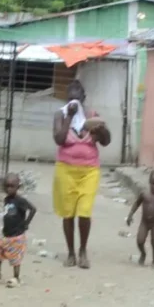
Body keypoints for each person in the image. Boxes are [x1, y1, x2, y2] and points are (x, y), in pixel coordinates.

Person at [52, 80, 110, 269]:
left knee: (84, 212)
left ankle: (83, 250)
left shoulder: (92, 117)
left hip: (89, 171)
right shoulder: (60, 115)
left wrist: (101, 130)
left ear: (84, 98)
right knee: (68, 213)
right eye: (71, 99)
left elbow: (106, 141)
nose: (74, 102)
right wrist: (69, 117)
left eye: (77, 99)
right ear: (66, 99)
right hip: (66, 170)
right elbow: (59, 139)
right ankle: (71, 253)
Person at [0, 173, 36, 287]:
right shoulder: (7, 199)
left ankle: (16, 278)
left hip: (17, 235)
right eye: (7, 186)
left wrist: (26, 223)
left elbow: (33, 209)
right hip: (6, 234)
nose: (9, 189)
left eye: (12, 186)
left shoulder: (20, 200)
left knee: (15, 258)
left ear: (18, 187)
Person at [126, 170, 154, 268]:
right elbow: (136, 204)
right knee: (140, 241)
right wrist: (130, 215)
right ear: (149, 182)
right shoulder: (144, 194)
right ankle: (143, 253)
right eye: (153, 183)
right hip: (144, 222)